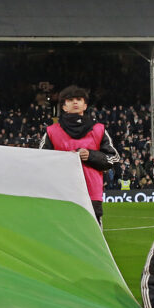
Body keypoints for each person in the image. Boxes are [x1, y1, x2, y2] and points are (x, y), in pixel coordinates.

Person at [40, 85, 120, 224]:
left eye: (79, 99)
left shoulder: (99, 129)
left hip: (91, 193)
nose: (75, 102)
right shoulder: (51, 131)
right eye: (70, 100)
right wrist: (64, 158)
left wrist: (91, 156)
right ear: (64, 107)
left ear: (85, 105)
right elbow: (41, 161)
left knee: (93, 242)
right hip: (61, 193)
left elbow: (113, 159)